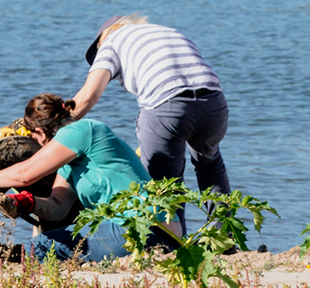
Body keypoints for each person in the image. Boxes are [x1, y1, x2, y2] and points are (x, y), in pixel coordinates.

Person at [0, 93, 181, 262]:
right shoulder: (71, 162)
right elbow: (58, 207)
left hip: (143, 227)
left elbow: (24, 174)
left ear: (40, 132)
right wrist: (29, 203)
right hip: (159, 232)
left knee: (40, 247)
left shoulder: (82, 130)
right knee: (47, 243)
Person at [72, 14, 231, 231]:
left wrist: (56, 126)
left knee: (164, 182)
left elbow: (87, 97)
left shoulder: (110, 42)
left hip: (167, 106)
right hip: (214, 103)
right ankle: (223, 237)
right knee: (210, 165)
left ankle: (174, 243)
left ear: (103, 38)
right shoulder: (168, 31)